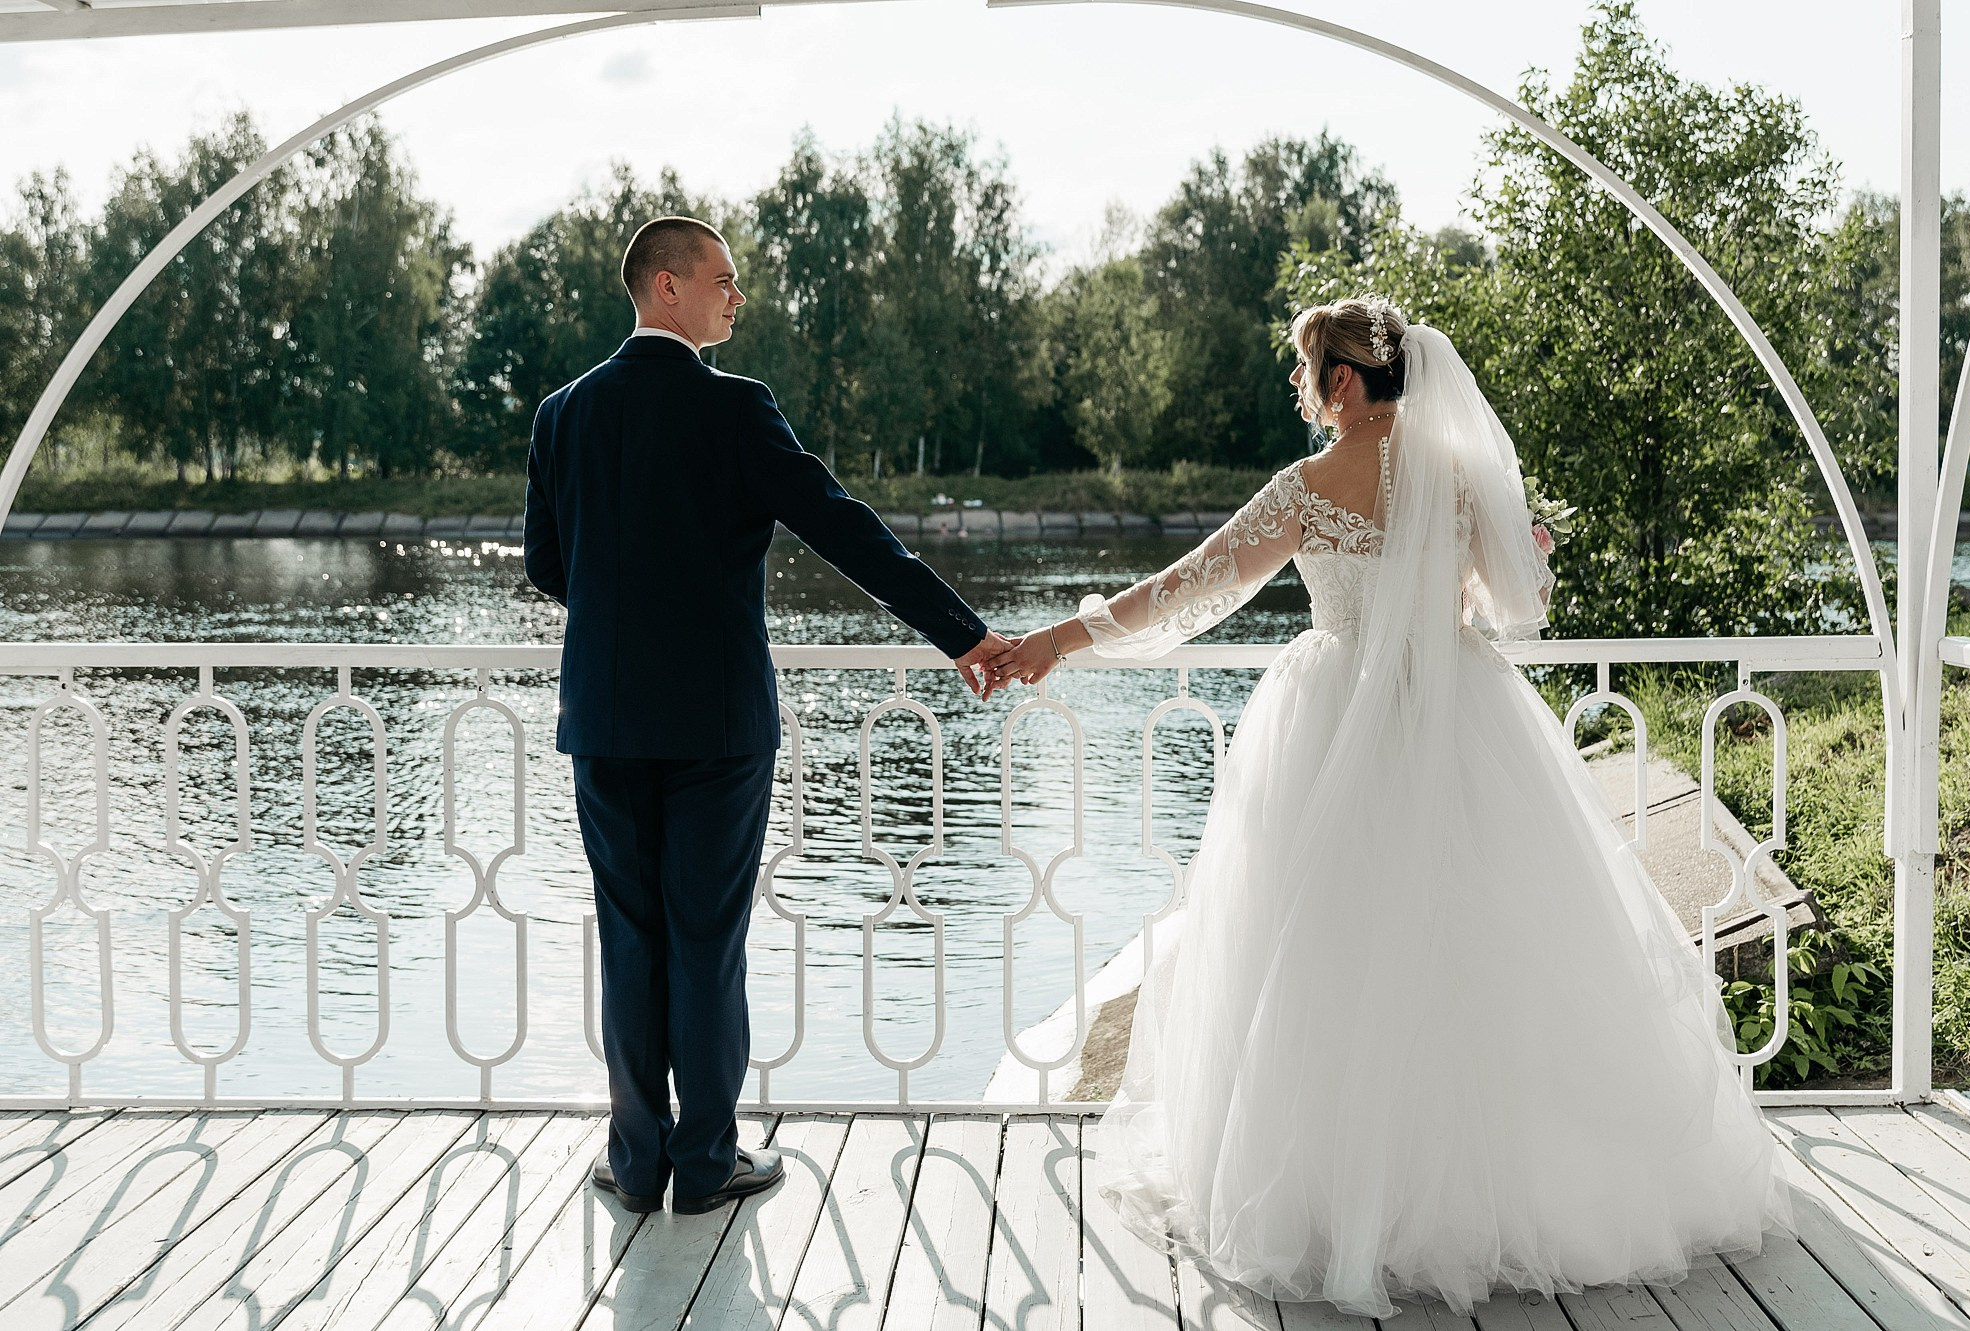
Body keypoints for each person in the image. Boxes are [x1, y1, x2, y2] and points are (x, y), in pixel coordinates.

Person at [990, 297, 1794, 1317]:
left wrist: (1061, 637)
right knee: (1484, 948)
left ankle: (1341, 1197)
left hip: (1331, 724)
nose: (1299, 393)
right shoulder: (1460, 476)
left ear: (1337, 382)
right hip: (1462, 714)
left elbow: (1182, 590)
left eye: (1301, 374)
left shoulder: (1304, 488)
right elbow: (1515, 595)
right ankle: (1498, 1190)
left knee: (1329, 955)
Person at [523, 216, 1012, 1216]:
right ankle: (704, 1165)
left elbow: (544, 565)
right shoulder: (736, 409)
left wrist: (626, 612)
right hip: (717, 723)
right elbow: (847, 532)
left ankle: (635, 1156)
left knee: (631, 937)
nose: (734, 296)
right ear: (666, 286)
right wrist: (959, 634)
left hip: (605, 718)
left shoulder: (562, 413)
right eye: (721, 279)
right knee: (705, 938)